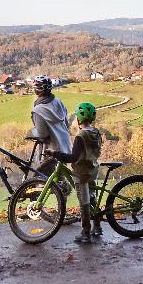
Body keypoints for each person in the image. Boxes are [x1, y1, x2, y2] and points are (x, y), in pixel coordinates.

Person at [45, 101, 103, 244]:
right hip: (93, 169)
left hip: (81, 173)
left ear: (78, 119)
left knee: (84, 202)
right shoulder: (95, 132)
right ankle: (98, 227)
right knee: (92, 198)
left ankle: (86, 233)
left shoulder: (80, 136)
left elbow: (73, 157)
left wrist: (55, 153)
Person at [30, 76, 71, 176]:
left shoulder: (38, 111)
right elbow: (66, 123)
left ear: (37, 90)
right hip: (65, 145)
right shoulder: (58, 101)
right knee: (59, 176)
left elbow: (42, 135)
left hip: (50, 150)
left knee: (40, 178)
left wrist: (32, 133)